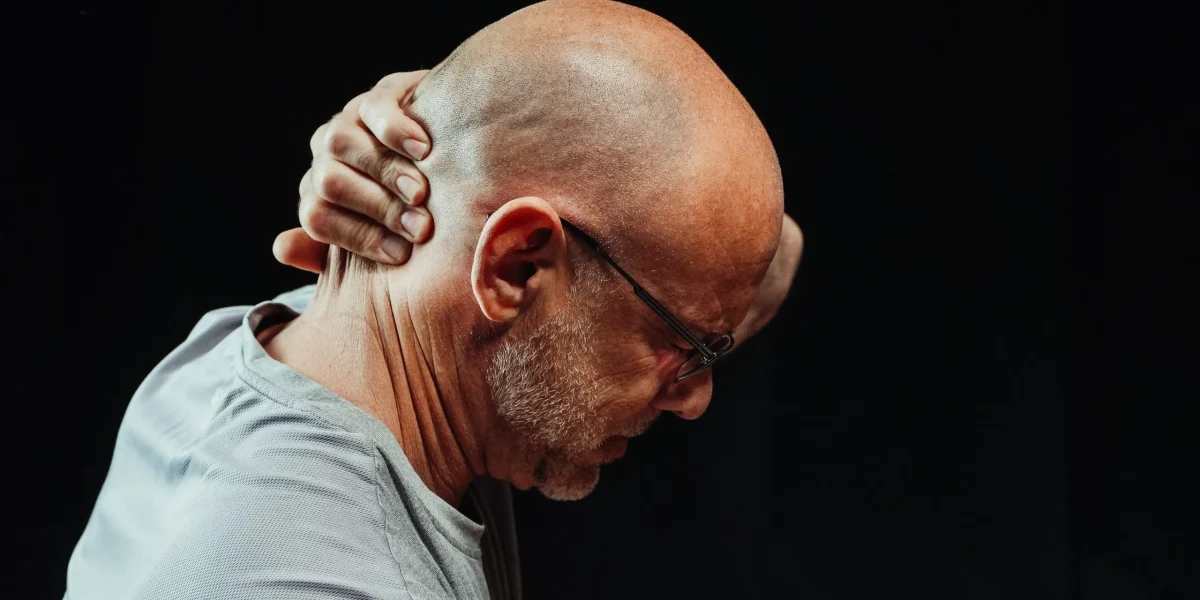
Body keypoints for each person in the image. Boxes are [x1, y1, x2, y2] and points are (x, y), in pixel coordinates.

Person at [64, 1, 803, 599]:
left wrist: (448, 136)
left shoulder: (265, 349)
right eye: (686, 345)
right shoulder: (320, 580)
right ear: (515, 268)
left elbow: (766, 254)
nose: (696, 398)